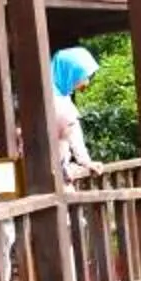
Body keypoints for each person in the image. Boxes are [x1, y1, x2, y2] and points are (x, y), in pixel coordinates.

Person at [48, 46, 100, 182]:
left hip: (59, 168)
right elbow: (71, 130)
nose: (86, 82)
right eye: (83, 75)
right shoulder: (52, 98)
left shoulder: (63, 96)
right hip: (49, 171)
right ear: (70, 71)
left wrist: (85, 161)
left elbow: (73, 130)